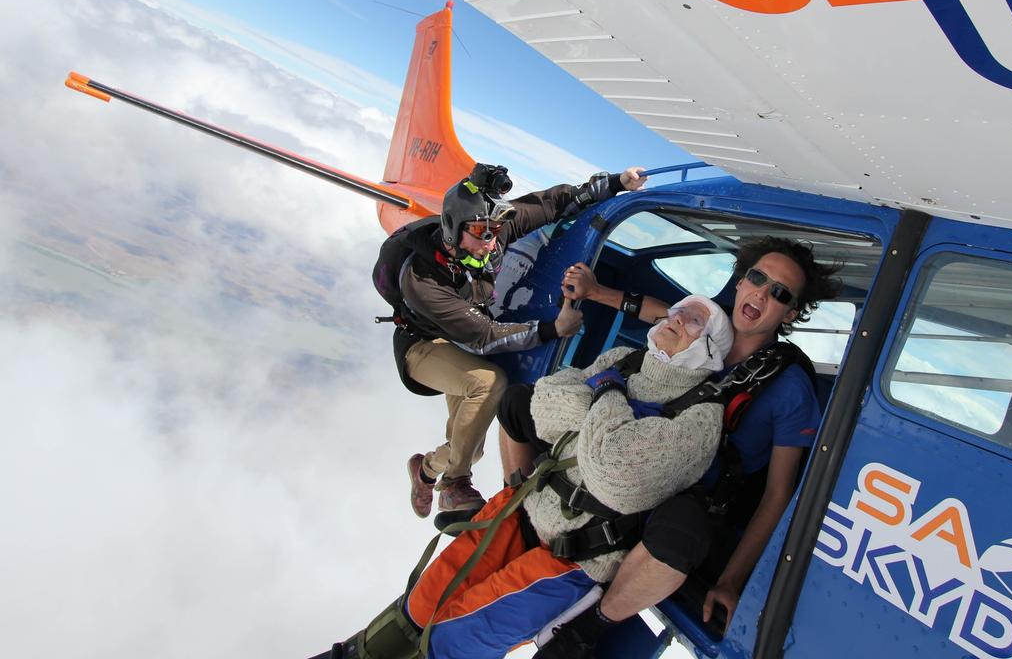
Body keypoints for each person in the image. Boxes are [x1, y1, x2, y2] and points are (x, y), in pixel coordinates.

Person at [311, 295, 734, 659]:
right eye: (677, 310)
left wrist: (604, 391)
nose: (676, 318)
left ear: (712, 348)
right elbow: (545, 401)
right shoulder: (626, 360)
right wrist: (608, 410)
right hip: (523, 510)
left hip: (577, 555)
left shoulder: (700, 416)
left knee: (452, 641)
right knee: (419, 607)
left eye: (695, 320)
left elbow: (614, 468)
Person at [508, 237, 842, 658]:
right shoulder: (704, 325)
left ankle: (590, 625)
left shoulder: (789, 387)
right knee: (518, 402)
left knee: (685, 527)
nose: (761, 292)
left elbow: (777, 495)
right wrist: (594, 293)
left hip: (687, 488)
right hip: (637, 447)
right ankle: (517, 509)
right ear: (740, 282)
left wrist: (731, 580)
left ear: (789, 313)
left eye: (779, 293)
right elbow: (657, 311)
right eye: (757, 278)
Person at [394, 162, 645, 530]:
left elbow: (553, 203)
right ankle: (454, 485)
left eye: (494, 230)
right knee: (489, 383)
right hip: (423, 344)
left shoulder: (490, 238)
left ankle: (426, 470)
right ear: (452, 229)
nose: (490, 241)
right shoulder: (422, 280)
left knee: (470, 447)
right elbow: (482, 335)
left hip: (458, 341)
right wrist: (552, 329)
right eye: (479, 232)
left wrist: (616, 184)